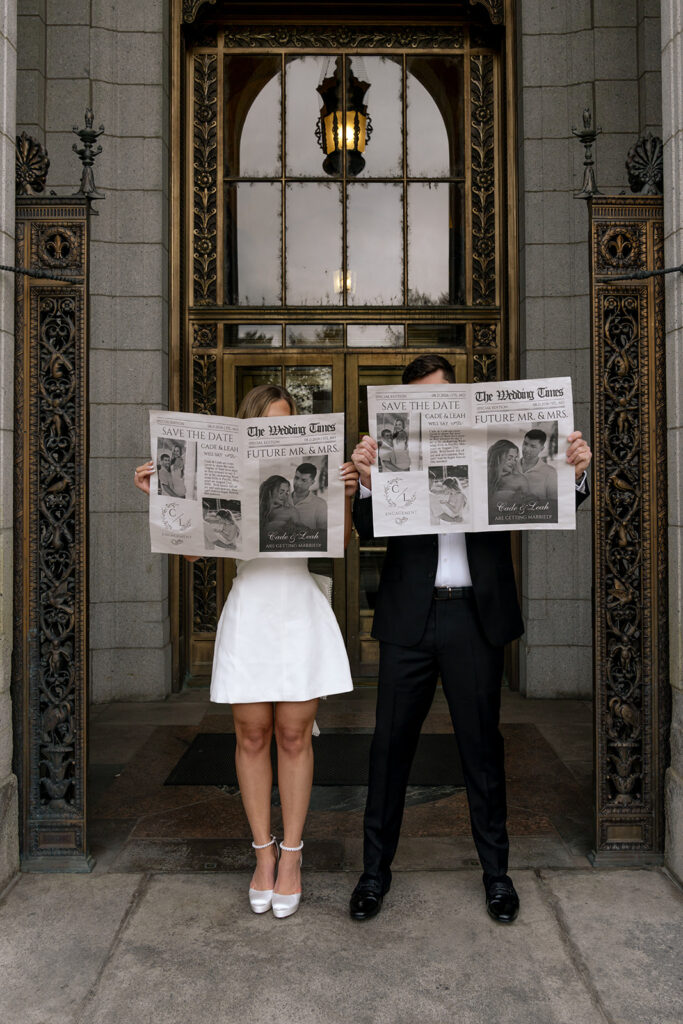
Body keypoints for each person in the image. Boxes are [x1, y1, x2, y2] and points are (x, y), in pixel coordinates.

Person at [348, 354, 592, 925]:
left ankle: (497, 876)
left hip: (474, 618)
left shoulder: (495, 449)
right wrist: (365, 483)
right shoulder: (392, 450)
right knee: (389, 752)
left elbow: (553, 502)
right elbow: (365, 529)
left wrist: (576, 471)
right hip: (410, 617)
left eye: (439, 397)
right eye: (419, 401)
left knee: (482, 752)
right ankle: (373, 875)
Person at [134, 384, 359, 919]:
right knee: (252, 733)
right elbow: (191, 556)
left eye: (284, 425)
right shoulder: (228, 475)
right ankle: (262, 854)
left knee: (293, 733)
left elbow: (343, 543)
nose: (274, 434)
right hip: (251, 611)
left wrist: (346, 494)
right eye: (264, 425)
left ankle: (292, 858)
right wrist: (162, 499)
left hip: (299, 607)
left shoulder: (308, 479)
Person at [487, 440, 531, 506]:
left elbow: (529, 506)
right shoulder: (486, 477)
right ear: (498, 458)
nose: (513, 462)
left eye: (515, 458)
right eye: (509, 458)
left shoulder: (520, 480)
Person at [520, 428, 558, 501]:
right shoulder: (510, 467)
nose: (526, 449)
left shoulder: (550, 473)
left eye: (533, 446)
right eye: (525, 443)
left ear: (541, 449)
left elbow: (553, 505)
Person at [290, 463, 327, 530]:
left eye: (303, 480)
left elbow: (323, 536)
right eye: (296, 478)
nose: (298, 483)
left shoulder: (320, 505)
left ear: (312, 482)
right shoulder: (281, 499)